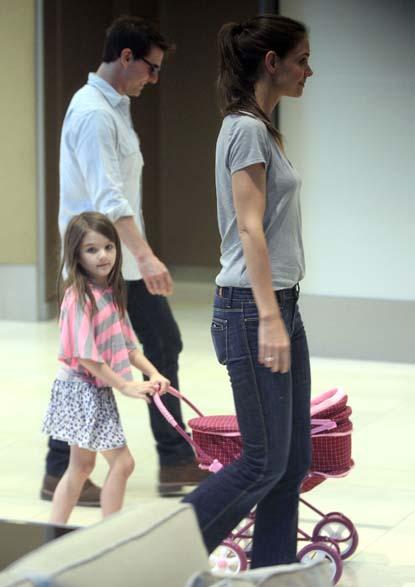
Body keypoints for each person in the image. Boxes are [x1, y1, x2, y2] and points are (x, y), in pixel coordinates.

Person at [41, 16, 207, 505]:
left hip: (117, 263)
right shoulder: (94, 113)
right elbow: (108, 199)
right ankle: (167, 460)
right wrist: (147, 257)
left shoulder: (113, 107)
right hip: (103, 264)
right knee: (93, 360)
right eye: (150, 69)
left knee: (153, 347)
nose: (154, 80)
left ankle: (164, 460)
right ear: (126, 57)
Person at [183, 15, 314, 568]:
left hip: (280, 302)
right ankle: (161, 550)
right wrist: (267, 318)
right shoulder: (246, 129)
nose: (309, 69)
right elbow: (249, 227)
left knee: (291, 460)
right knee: (262, 461)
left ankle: (272, 572)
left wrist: (278, 312)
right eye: (302, 58)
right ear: (271, 62)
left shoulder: (259, 127)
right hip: (250, 308)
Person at [42, 212, 171, 522]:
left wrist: (153, 372)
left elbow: (127, 346)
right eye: (91, 249)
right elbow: (86, 356)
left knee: (81, 467)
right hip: (80, 390)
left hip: (93, 390)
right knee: (122, 464)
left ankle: (53, 533)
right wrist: (125, 385)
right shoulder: (79, 297)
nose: (103, 256)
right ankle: (108, 535)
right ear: (76, 254)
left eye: (109, 247)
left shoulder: (110, 293)